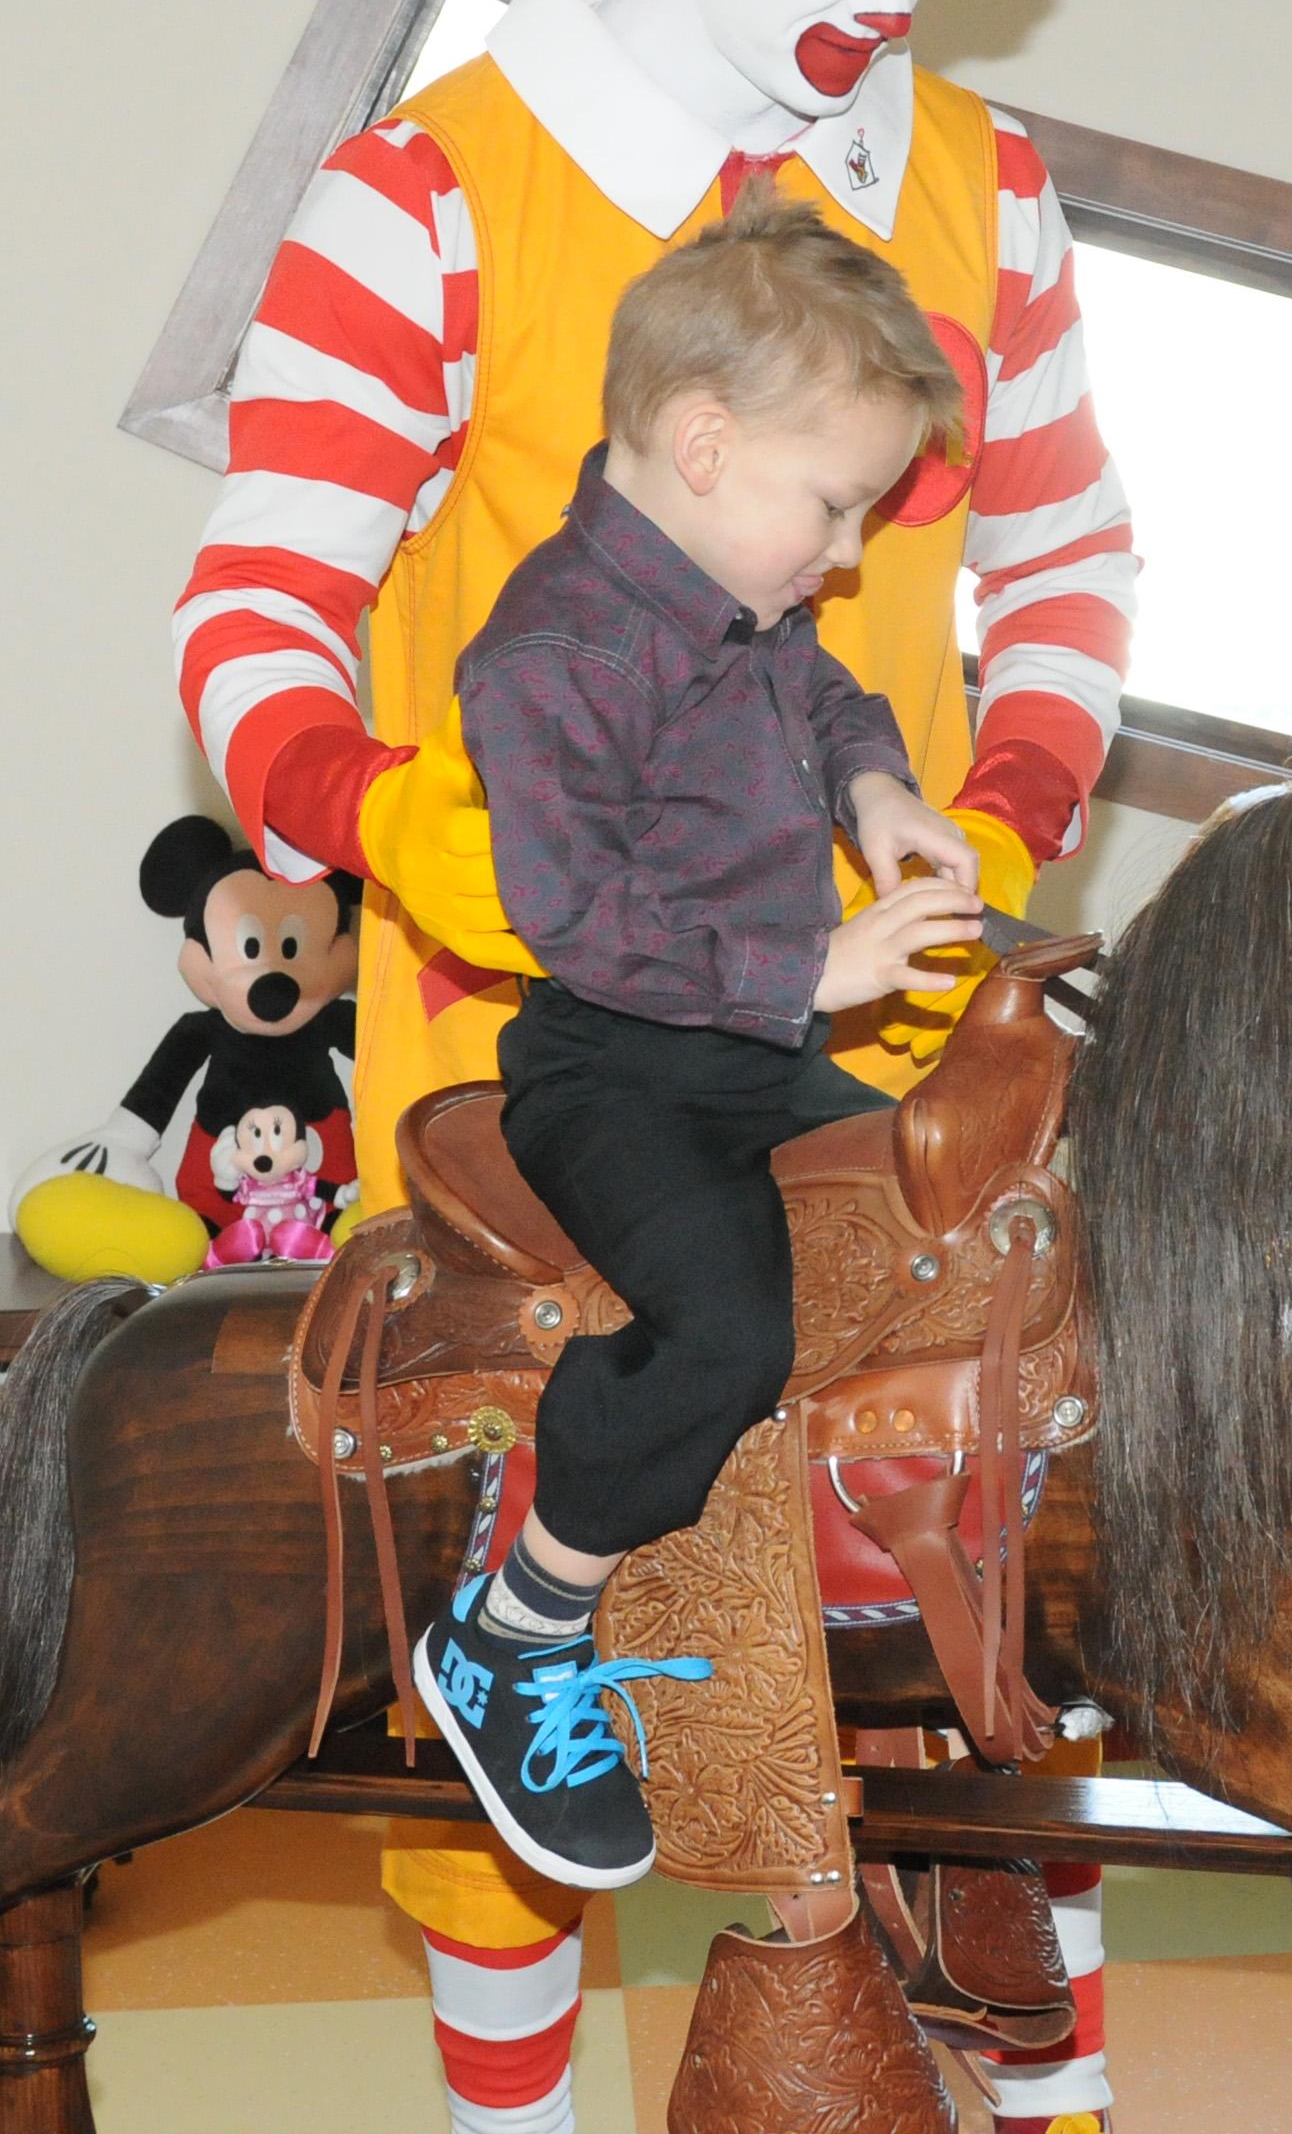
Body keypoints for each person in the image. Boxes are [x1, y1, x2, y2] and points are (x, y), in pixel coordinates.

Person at [157, 0, 1131, 2134]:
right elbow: (260, 605)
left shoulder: (977, 186)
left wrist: (995, 812)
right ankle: (517, 2088)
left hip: (893, 1021)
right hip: (538, 1026)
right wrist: (409, 841)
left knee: (1020, 1587)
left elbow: (1068, 559)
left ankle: (1040, 2083)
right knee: (575, 1587)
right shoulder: (430, 197)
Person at [417, 193, 989, 1888]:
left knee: (929, 1231)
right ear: (703, 441)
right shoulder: (550, 653)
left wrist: (878, 789)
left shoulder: (745, 606)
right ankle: (519, 1626)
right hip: (617, 1068)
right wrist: (815, 967)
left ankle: (863, 1606)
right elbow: (578, 923)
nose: (845, 551)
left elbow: (823, 696)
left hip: (751, 1050)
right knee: (730, 1328)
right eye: (834, 505)